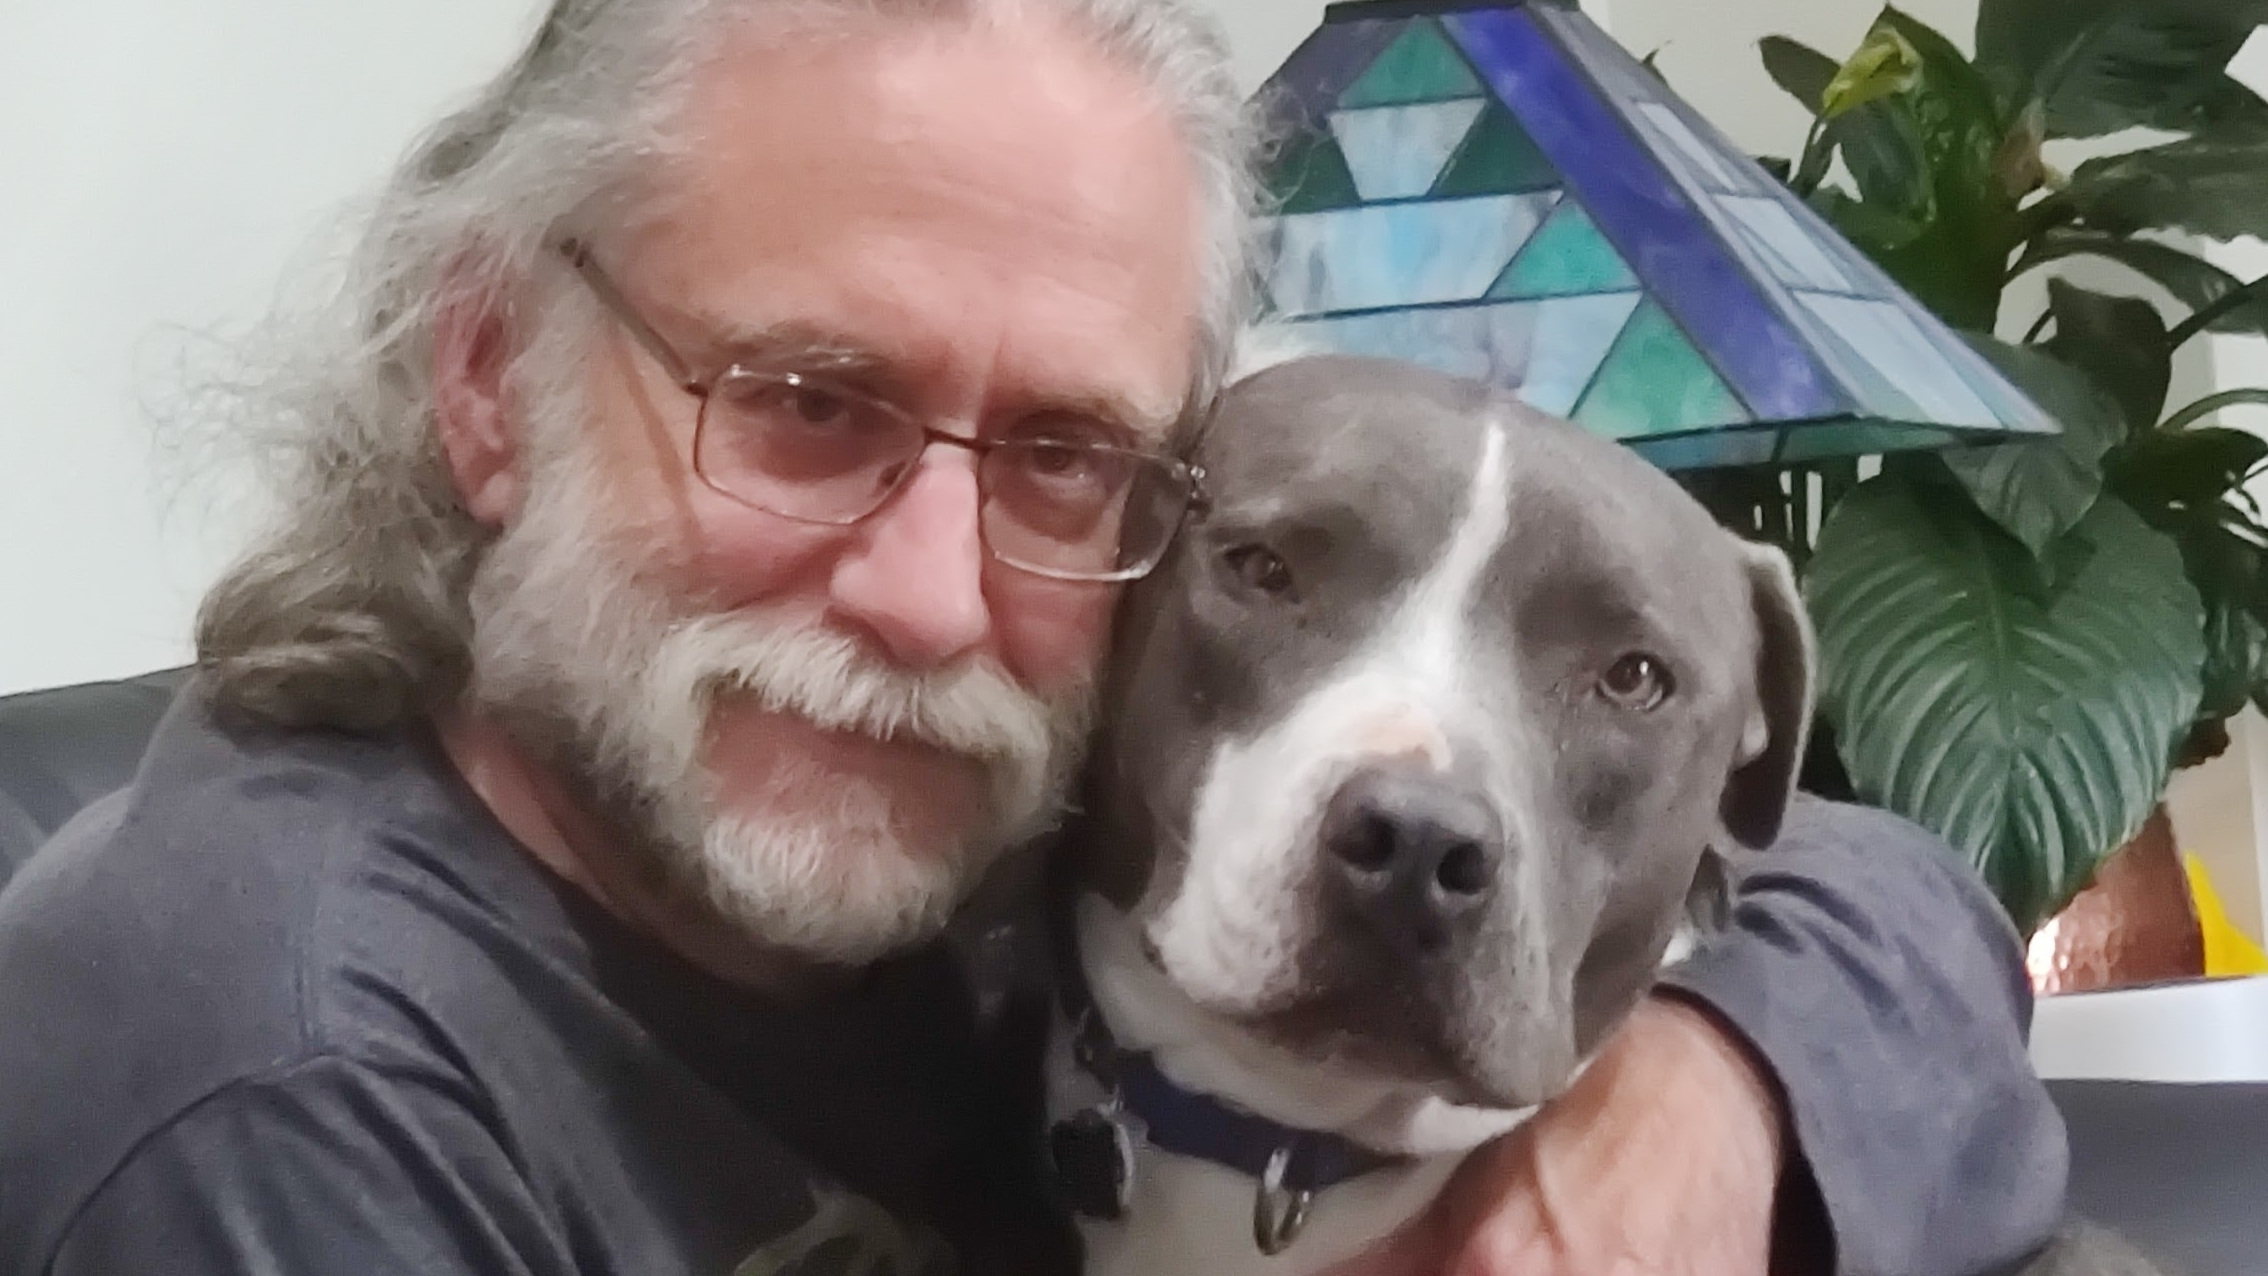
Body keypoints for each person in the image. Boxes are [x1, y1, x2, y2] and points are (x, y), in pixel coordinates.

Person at [0, 0, 2065, 1273]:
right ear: (485, 376)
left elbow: (1880, 888)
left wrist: (1704, 1107)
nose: (930, 590)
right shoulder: (283, 1093)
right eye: (805, 402)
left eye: (1063, 451)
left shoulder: (948, 830)